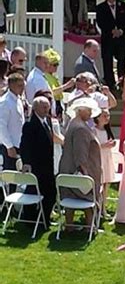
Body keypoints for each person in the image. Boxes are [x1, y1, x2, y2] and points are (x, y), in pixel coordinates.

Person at [59, 100, 102, 230]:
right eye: (88, 110)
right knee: (86, 196)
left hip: (67, 168)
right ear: (80, 110)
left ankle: (69, 225)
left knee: (70, 196)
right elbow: (80, 152)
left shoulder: (73, 124)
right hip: (78, 169)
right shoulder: (80, 128)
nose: (90, 113)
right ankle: (89, 226)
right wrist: (85, 173)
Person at [19, 96, 56, 225]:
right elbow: (25, 145)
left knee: (50, 193)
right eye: (44, 107)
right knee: (34, 191)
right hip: (36, 165)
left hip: (48, 164)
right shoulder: (30, 124)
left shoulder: (48, 121)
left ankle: (44, 217)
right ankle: (29, 219)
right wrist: (27, 162)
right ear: (35, 108)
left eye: (48, 106)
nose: (47, 109)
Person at [96, 0, 125, 90]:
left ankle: (122, 82)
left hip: (120, 38)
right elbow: (101, 22)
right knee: (107, 61)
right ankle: (110, 83)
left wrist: (120, 30)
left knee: (121, 61)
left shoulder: (123, 6)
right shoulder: (100, 7)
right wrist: (111, 31)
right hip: (108, 38)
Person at [0, 73, 25, 172]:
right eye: (19, 85)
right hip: (8, 147)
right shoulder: (5, 102)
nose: (22, 88)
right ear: (11, 86)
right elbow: (1, 126)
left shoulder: (18, 100)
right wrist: (9, 146)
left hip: (18, 144)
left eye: (23, 85)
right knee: (9, 176)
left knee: (17, 176)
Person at [93, 109, 116, 213]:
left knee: (107, 182)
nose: (107, 118)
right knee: (100, 182)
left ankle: (103, 206)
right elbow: (93, 146)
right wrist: (104, 145)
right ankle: (97, 205)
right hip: (99, 157)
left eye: (108, 116)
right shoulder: (94, 130)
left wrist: (111, 144)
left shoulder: (107, 130)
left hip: (107, 158)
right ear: (97, 117)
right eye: (104, 116)